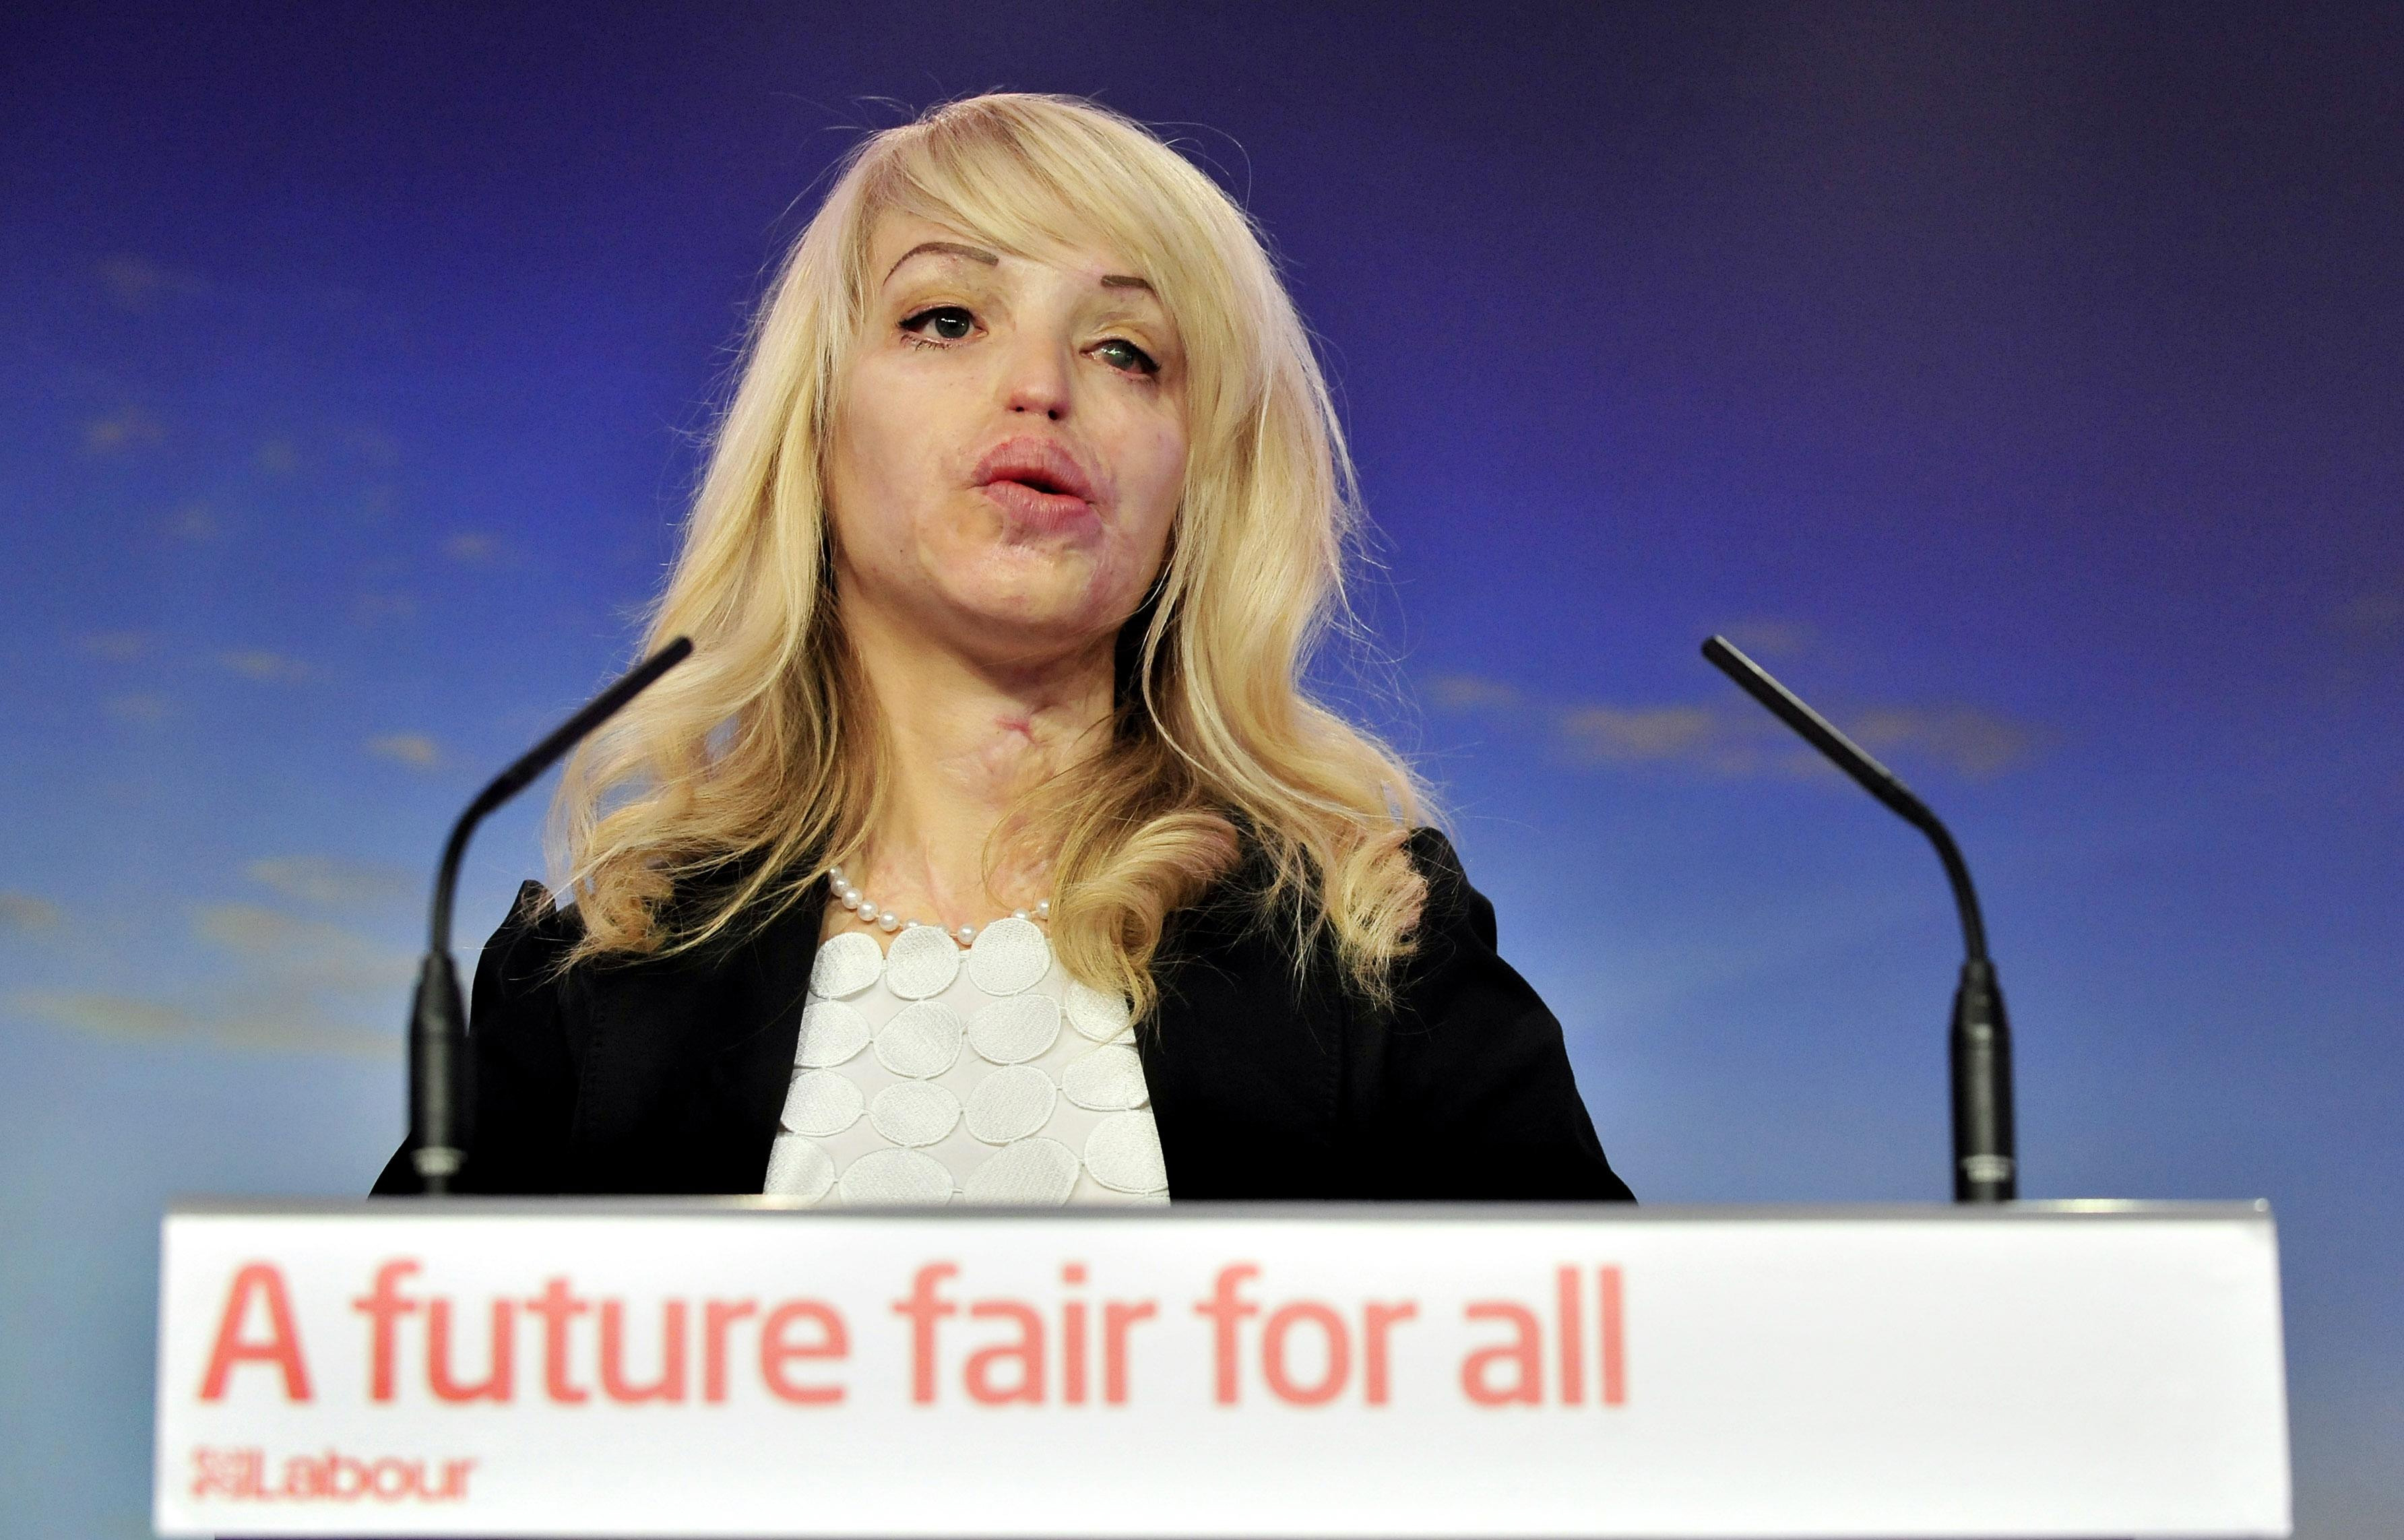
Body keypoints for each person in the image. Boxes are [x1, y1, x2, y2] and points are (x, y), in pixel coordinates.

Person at [374, 93, 1631, 1205]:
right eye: (946, 319)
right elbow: (381, 1409)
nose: (1041, 384)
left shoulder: (1371, 943)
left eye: (1128, 351)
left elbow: (1626, 1389)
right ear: (813, 433)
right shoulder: (591, 983)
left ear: (1199, 484)